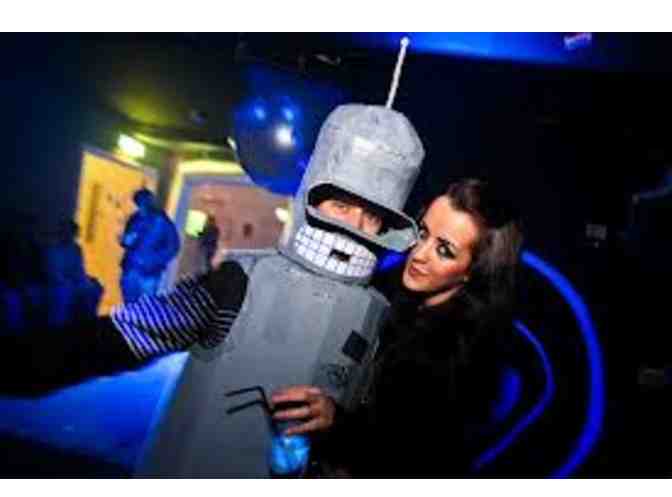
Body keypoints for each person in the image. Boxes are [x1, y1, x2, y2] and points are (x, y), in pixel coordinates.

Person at [1, 103, 426, 477]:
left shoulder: (381, 313)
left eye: (372, 215)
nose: (354, 226)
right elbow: (125, 335)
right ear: (311, 199)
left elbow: (384, 428)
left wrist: (341, 427)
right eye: (342, 205)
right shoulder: (238, 283)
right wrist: (22, 363)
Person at [271, 178, 534, 477]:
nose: (419, 254)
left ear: (473, 271)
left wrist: (336, 422)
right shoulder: (397, 302)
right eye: (423, 234)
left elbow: (412, 459)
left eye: (444, 250)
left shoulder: (458, 354)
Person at [119, 188, 180, 303]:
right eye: (138, 203)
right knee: (129, 303)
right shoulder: (134, 219)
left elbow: (173, 247)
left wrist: (153, 261)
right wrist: (125, 241)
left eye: (141, 203)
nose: (139, 207)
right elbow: (127, 240)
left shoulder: (162, 222)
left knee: (145, 305)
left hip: (149, 273)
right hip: (131, 269)